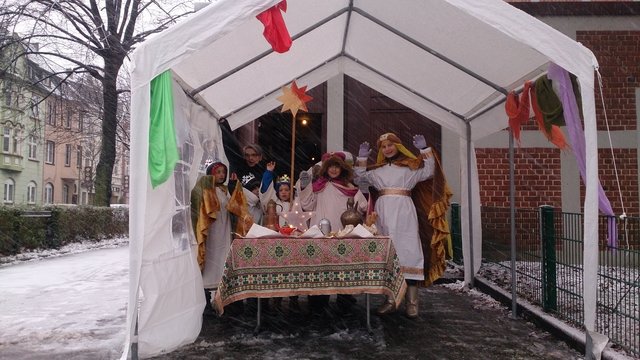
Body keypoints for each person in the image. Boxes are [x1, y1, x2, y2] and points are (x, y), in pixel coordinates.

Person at [354, 132, 446, 319]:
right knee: (387, 253)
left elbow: (429, 171)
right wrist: (362, 157)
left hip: (404, 212)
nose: (387, 149)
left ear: (398, 146)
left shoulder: (409, 168)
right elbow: (359, 178)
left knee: (408, 251)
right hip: (383, 213)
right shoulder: (377, 171)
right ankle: (390, 300)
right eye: (383, 146)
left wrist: (424, 149)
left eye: (390, 145)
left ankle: (412, 302)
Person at [299, 152, 368, 313]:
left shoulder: (349, 187)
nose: (334, 170)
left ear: (342, 168)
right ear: (325, 168)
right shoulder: (318, 186)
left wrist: (364, 191)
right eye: (331, 166)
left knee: (341, 265)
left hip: (341, 231)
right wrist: (305, 186)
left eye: (337, 166)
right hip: (321, 231)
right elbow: (307, 205)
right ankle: (318, 299)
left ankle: (344, 297)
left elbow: (362, 207)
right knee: (320, 265)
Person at [190, 161, 233, 315]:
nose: (221, 175)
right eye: (218, 172)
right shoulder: (206, 189)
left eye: (223, 172)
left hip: (224, 229)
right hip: (212, 232)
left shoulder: (225, 190)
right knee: (211, 261)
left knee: (223, 261)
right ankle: (206, 298)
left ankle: (222, 297)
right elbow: (199, 205)